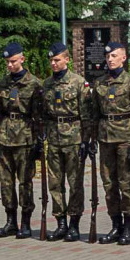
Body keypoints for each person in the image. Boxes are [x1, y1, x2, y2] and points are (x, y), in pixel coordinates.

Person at [89, 41, 130, 246]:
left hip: (124, 139)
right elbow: (95, 114)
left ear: (124, 57)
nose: (110, 60)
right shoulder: (100, 83)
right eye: (108, 57)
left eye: (114, 56)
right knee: (109, 184)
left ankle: (128, 228)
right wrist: (92, 139)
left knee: (125, 184)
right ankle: (116, 225)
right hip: (105, 140)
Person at [41, 42, 94, 242]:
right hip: (54, 138)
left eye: (57, 60)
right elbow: (44, 114)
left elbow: (86, 115)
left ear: (67, 59)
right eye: (51, 61)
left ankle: (74, 224)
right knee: (55, 183)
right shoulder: (46, 84)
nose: (53, 64)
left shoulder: (79, 83)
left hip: (74, 138)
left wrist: (86, 141)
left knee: (75, 183)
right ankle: (60, 223)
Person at [0, 42, 43, 238]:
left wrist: (38, 139)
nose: (10, 65)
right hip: (5, 136)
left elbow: (38, 115)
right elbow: (0, 109)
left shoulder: (34, 83)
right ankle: (10, 221)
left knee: (25, 182)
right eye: (7, 62)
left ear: (22, 59)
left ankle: (26, 222)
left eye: (13, 61)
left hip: (25, 137)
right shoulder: (4, 82)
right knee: (5, 181)